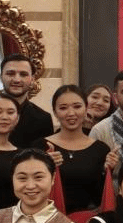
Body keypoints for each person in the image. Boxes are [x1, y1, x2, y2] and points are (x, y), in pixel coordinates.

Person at [34, 84, 116, 213]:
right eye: (63, 108)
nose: (71, 113)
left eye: (77, 107)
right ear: (55, 112)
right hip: (46, 217)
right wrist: (44, 167)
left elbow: (99, 198)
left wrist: (107, 171)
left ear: (86, 108)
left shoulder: (101, 149)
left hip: (86, 220)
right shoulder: (40, 147)